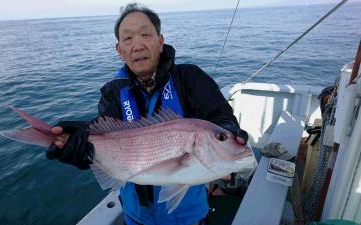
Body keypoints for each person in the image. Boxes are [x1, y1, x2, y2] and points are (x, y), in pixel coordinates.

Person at [46, 3, 249, 225]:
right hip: (136, 215)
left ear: (160, 42)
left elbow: (222, 117)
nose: (138, 45)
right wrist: (81, 148)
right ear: (119, 50)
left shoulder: (190, 78)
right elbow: (103, 134)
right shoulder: (112, 93)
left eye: (145, 34)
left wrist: (228, 131)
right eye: (128, 39)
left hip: (189, 216)